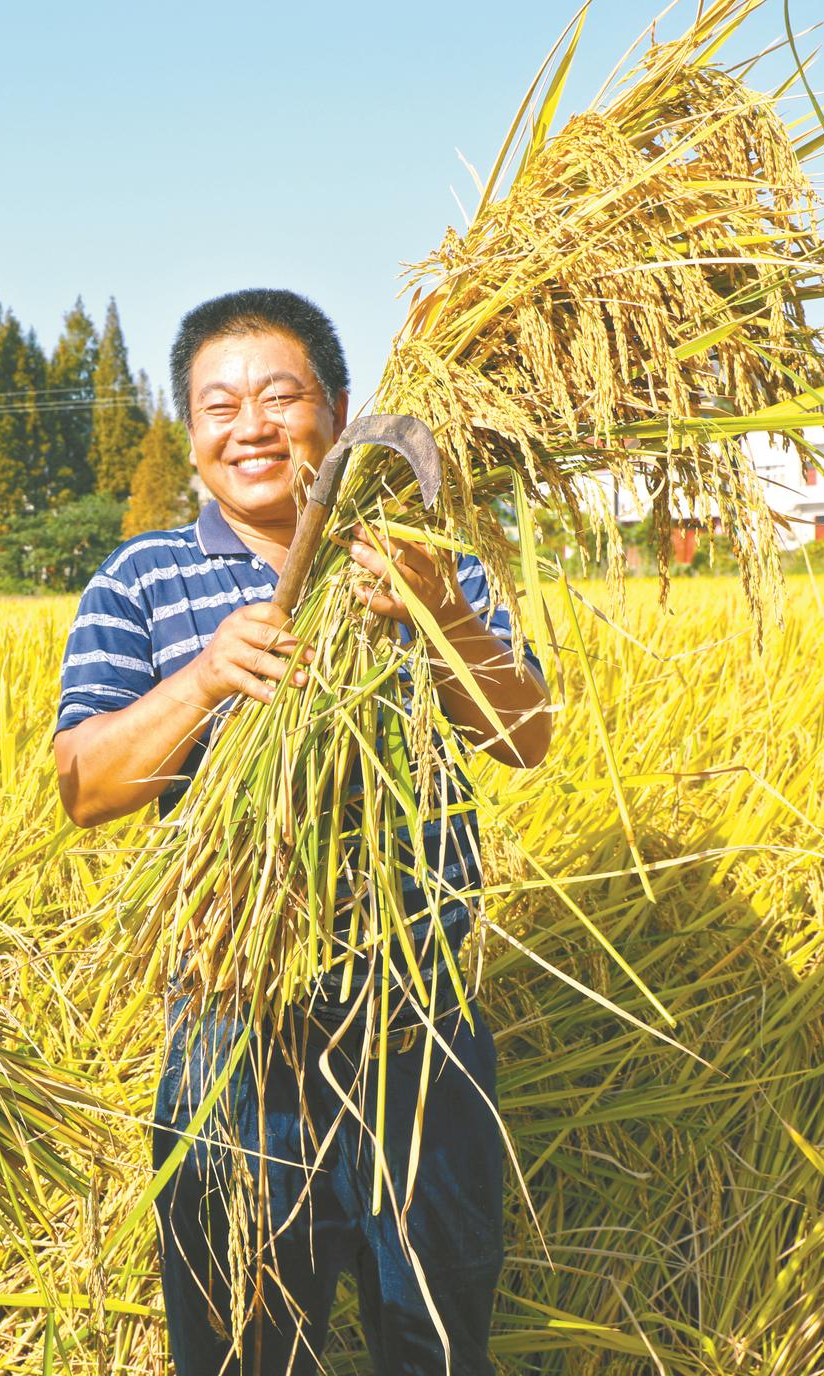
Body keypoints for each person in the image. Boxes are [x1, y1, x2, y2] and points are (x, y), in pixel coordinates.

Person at [53, 291, 552, 1375]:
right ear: (191, 433)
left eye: (280, 395)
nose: (251, 425)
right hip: (230, 1032)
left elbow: (527, 735)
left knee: (434, 1343)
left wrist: (442, 617)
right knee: (239, 1346)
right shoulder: (140, 579)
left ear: (335, 407)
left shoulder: (431, 561)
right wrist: (203, 677)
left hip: (419, 1020)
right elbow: (85, 782)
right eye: (217, 404)